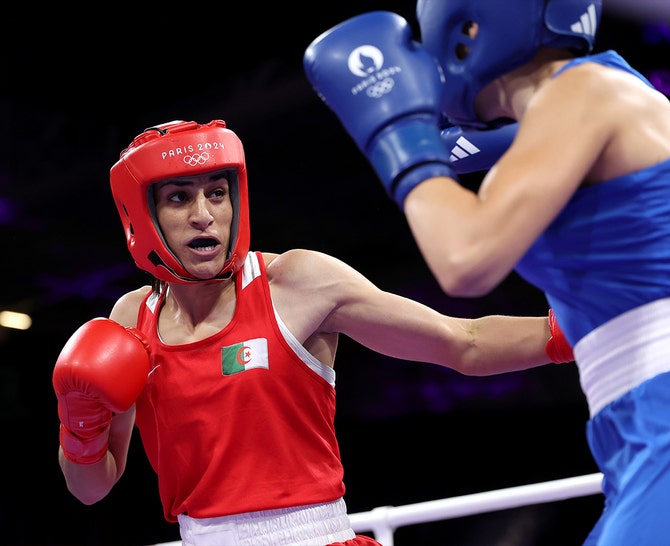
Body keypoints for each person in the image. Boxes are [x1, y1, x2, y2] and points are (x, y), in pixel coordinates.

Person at [303, 2, 670, 545]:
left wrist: (396, 131)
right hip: (640, 414)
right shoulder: (584, 103)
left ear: (468, 27)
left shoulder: (585, 91)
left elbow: (465, 259)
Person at [52, 119, 574, 546]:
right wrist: (81, 430)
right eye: (179, 199)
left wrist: (584, 329)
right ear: (141, 216)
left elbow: (465, 342)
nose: (205, 216)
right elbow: (90, 491)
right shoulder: (129, 320)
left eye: (217, 193)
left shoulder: (297, 283)